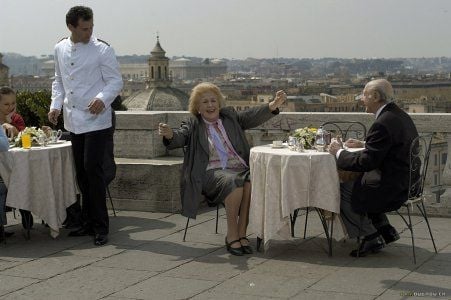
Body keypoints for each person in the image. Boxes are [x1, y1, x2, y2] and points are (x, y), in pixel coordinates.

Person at [159, 82, 286, 256]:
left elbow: (251, 116)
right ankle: (232, 234)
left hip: (239, 167)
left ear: (219, 103)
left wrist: (273, 105)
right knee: (234, 182)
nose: (210, 105)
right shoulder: (193, 124)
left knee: (251, 181)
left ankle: (242, 233)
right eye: (205, 102)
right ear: (197, 107)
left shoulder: (229, 117)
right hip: (210, 173)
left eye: (213, 100)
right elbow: (180, 137)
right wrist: (169, 135)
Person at [48, 6, 123, 246]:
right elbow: (58, 81)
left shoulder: (102, 49)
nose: (89, 32)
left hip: (97, 120)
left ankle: (101, 227)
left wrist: (102, 98)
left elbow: (115, 81)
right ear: (71, 27)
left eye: (91, 27)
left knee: (94, 171)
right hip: (73, 119)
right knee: (81, 173)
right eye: (84, 28)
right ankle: (88, 223)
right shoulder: (59, 48)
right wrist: (55, 106)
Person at [329, 79, 419, 257]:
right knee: (357, 182)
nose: (361, 99)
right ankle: (384, 228)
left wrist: (338, 152)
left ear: (376, 96)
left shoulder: (382, 123)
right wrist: (364, 143)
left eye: (364, 94)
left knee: (341, 190)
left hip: (392, 186)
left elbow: (367, 162)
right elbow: (391, 145)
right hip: (408, 181)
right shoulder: (398, 115)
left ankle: (370, 235)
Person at [0, 87, 33, 237]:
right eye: (6, 104)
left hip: (16, 161)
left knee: (22, 177)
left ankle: (25, 210)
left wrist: (11, 126)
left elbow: (23, 136)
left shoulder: (17, 118)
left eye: (13, 103)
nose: (10, 107)